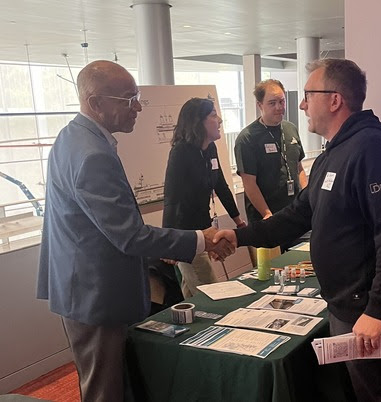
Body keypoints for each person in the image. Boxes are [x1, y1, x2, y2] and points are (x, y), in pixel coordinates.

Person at [217, 58, 381, 402]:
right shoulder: (332, 154)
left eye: (309, 94)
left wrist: (377, 308)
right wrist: (239, 236)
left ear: (335, 100)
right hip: (345, 304)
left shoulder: (371, 149)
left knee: (380, 395)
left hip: (364, 310)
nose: (302, 104)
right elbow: (298, 214)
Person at [36, 60, 233, 402]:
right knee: (105, 390)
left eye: (138, 95)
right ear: (96, 103)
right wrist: (201, 239)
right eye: (129, 98)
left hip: (84, 287)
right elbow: (129, 235)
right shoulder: (91, 154)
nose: (138, 106)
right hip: (95, 295)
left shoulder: (73, 137)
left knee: (116, 383)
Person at [162, 98, 246, 297]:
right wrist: (168, 244)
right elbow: (171, 199)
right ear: (198, 122)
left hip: (204, 228)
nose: (220, 120)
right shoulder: (181, 152)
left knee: (194, 290)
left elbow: (221, 186)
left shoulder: (210, 149)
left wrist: (238, 221)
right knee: (209, 289)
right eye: (214, 115)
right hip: (186, 233)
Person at [234, 79, 307, 223]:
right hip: (266, 218)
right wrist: (267, 214)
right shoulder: (247, 138)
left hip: (295, 213)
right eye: (272, 103)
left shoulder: (290, 128)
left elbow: (299, 169)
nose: (279, 107)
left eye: (282, 101)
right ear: (259, 105)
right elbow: (249, 183)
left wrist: (307, 197)